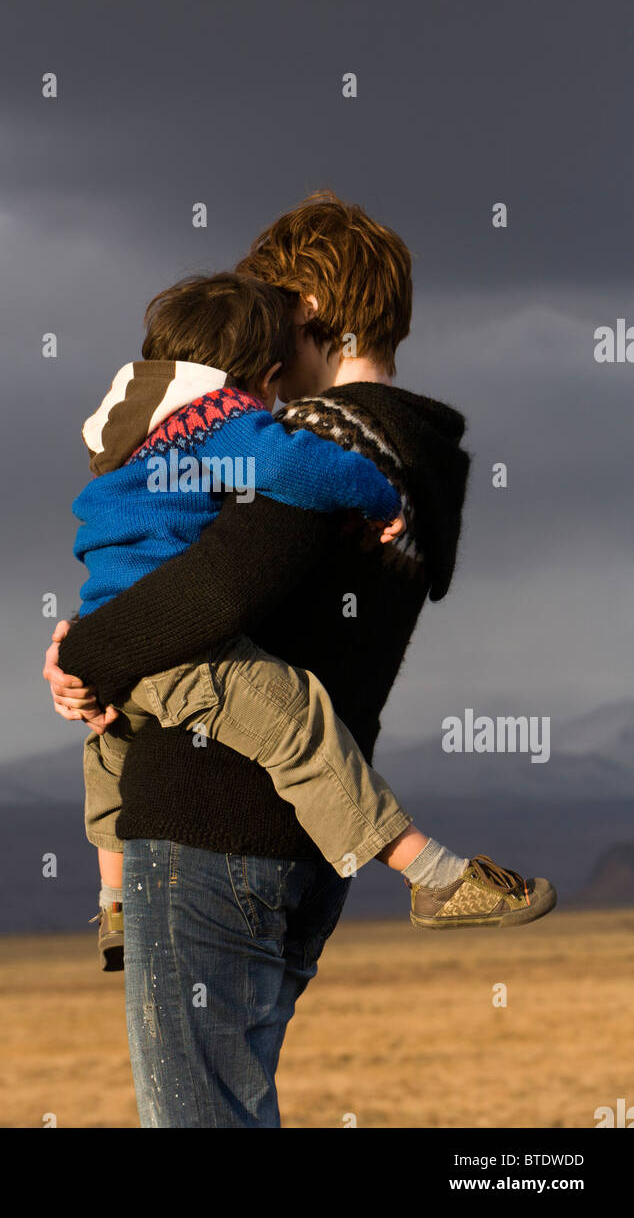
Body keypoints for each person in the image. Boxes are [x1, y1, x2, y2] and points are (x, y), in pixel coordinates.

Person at [45, 192, 556, 1128]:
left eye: (266, 316)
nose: (255, 362)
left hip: (212, 822)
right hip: (300, 840)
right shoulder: (417, 452)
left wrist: (85, 652)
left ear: (308, 311)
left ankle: (434, 873)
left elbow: (220, 592)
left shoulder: (322, 443)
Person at [72, 270, 496, 970]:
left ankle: (113, 905)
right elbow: (295, 467)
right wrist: (377, 493)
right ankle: (431, 874)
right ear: (262, 376)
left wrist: (84, 654)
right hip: (173, 646)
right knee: (297, 718)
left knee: (109, 751)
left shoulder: (133, 426)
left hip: (109, 620)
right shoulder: (217, 421)